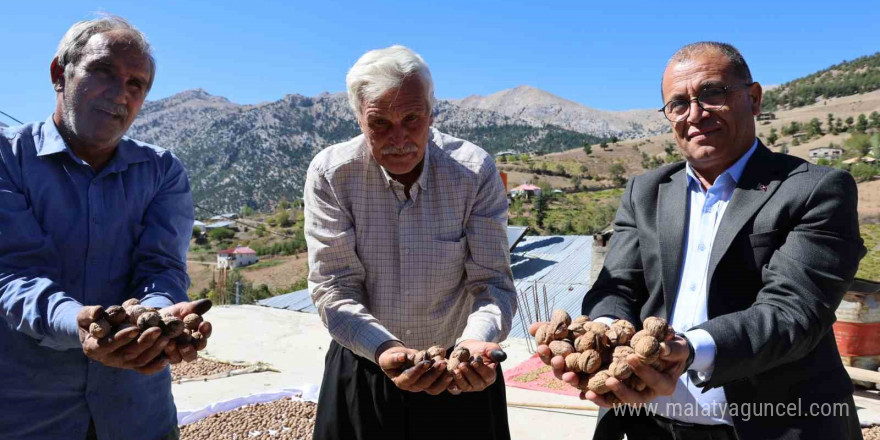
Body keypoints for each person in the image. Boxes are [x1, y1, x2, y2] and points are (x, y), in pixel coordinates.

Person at [533, 42, 865, 439]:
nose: (695, 114)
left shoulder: (816, 189)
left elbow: (794, 312)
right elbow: (618, 284)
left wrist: (686, 350)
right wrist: (603, 335)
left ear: (754, 98)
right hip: (650, 428)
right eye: (678, 104)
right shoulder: (646, 192)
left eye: (712, 94)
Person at [0, 15, 211, 440]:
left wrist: (161, 315)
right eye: (103, 72)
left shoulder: (162, 171)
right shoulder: (9, 158)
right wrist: (78, 323)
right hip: (28, 416)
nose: (120, 94)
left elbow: (162, 267)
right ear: (60, 73)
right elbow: (13, 272)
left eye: (137, 84)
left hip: (139, 416)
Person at [304, 45, 517, 440]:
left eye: (411, 118)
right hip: (367, 362)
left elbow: (493, 284)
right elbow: (334, 286)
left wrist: (476, 343)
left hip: (462, 371)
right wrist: (385, 349)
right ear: (358, 118)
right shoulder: (332, 174)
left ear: (432, 113)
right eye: (379, 123)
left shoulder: (473, 171)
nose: (398, 138)